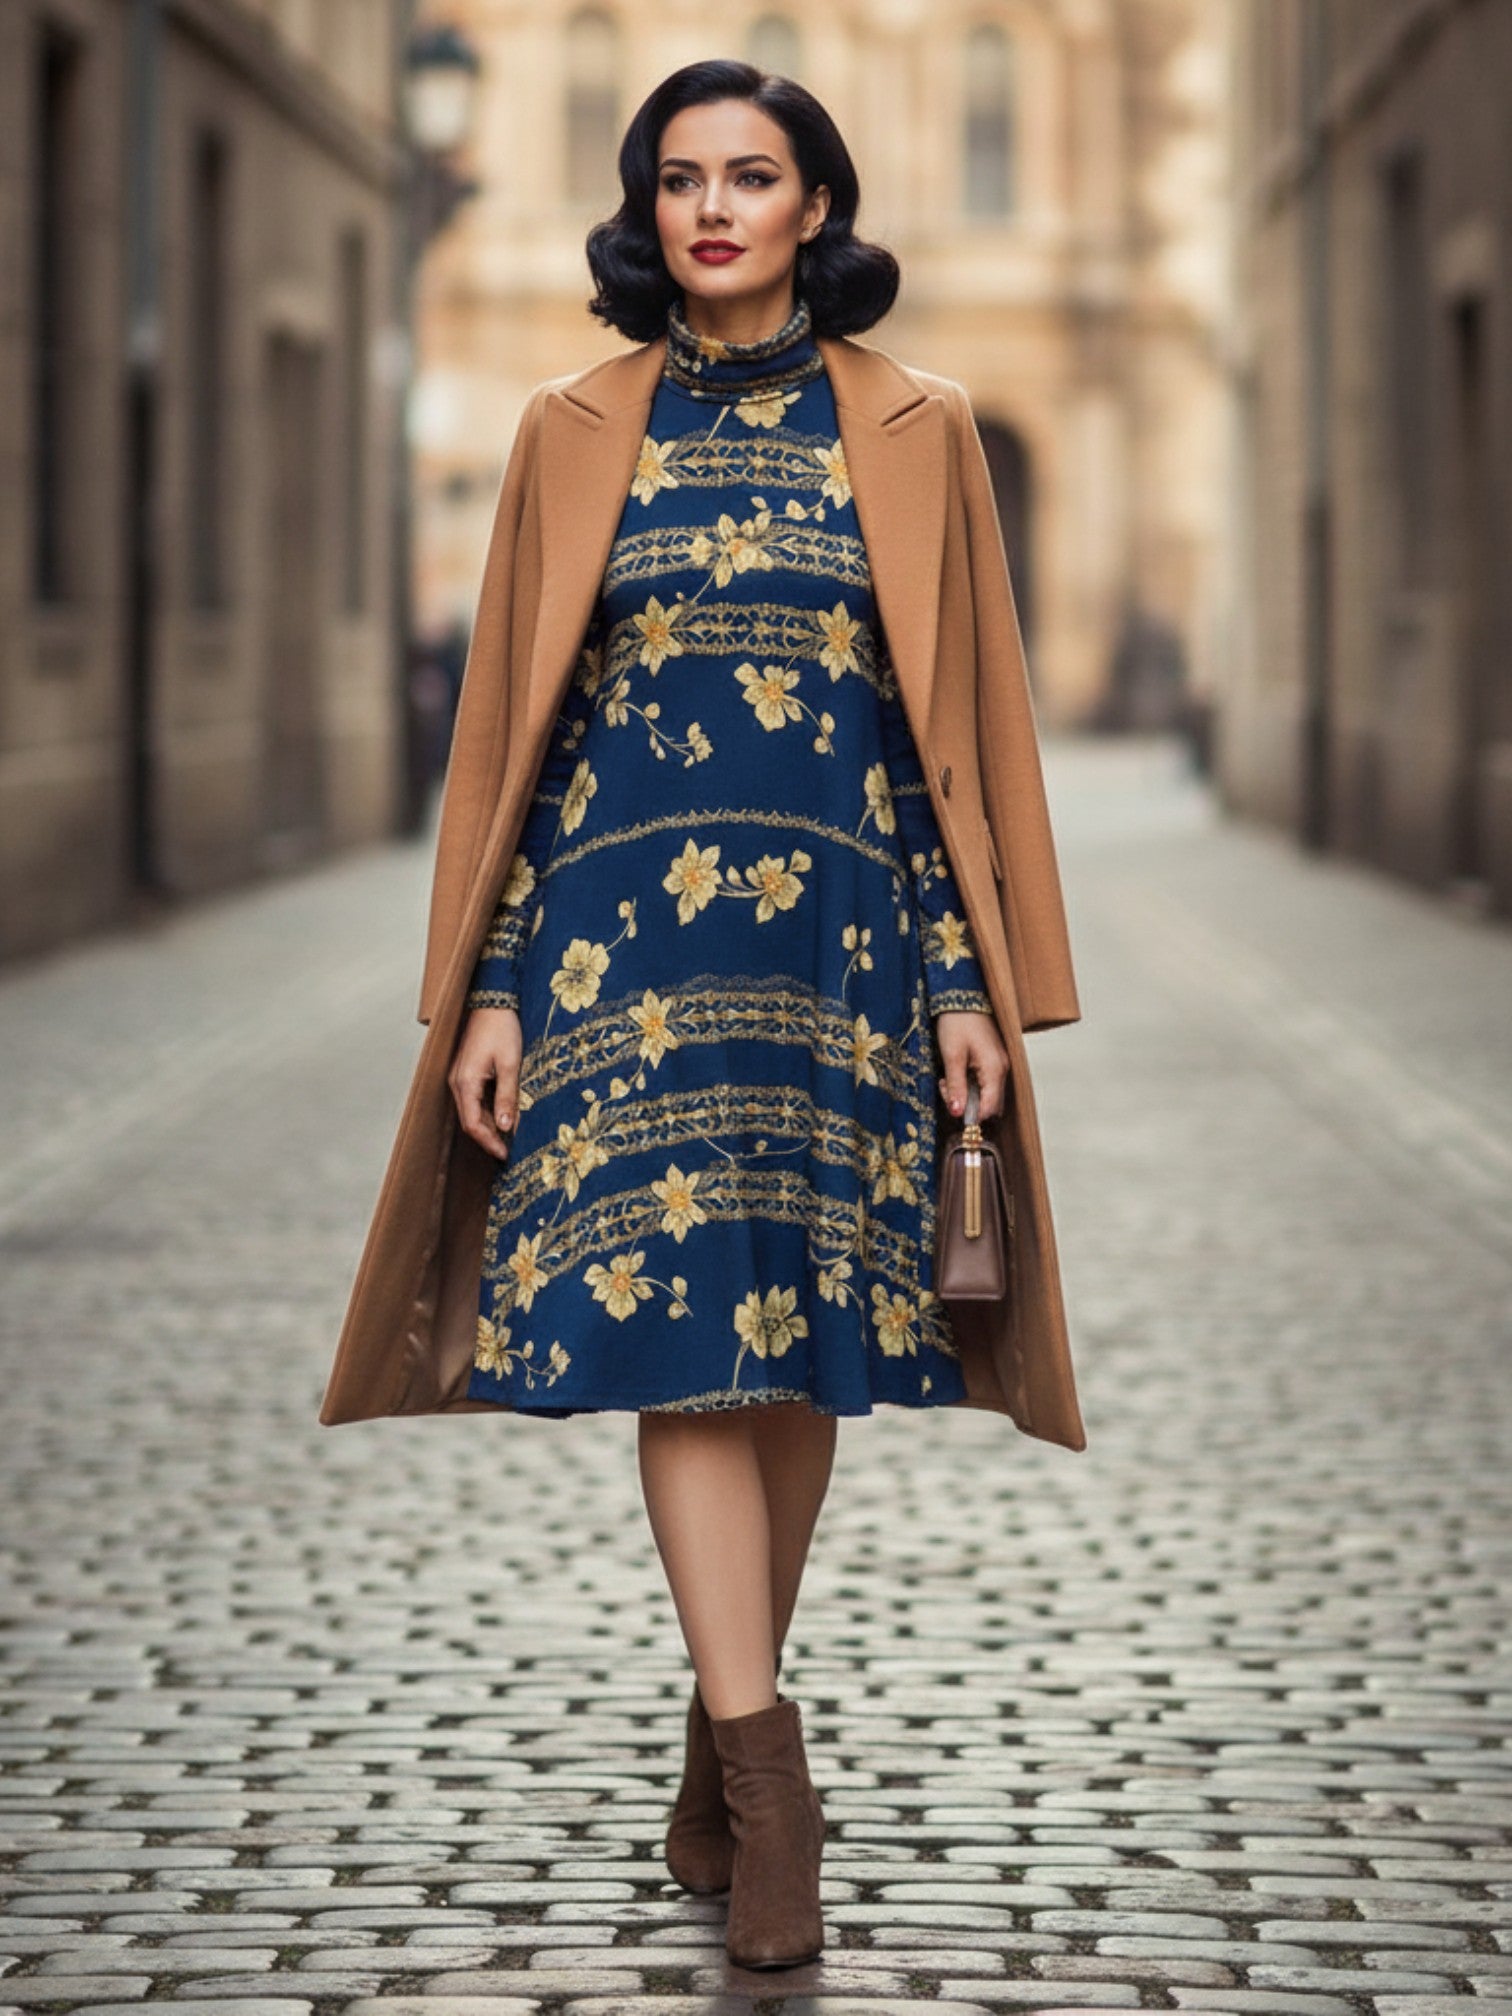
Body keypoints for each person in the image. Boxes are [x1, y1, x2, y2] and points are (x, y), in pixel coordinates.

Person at [327, 55, 1083, 1974]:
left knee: (808, 1351)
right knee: (692, 1357)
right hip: (614, 969)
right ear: (646, 208)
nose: (716, 210)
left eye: (755, 177)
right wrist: (489, 986)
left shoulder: (920, 429)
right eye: (681, 179)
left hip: (836, 966)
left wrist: (967, 988)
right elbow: (525, 735)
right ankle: (770, 1786)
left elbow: (946, 751)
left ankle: (713, 1710)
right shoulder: (572, 425)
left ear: (817, 205)